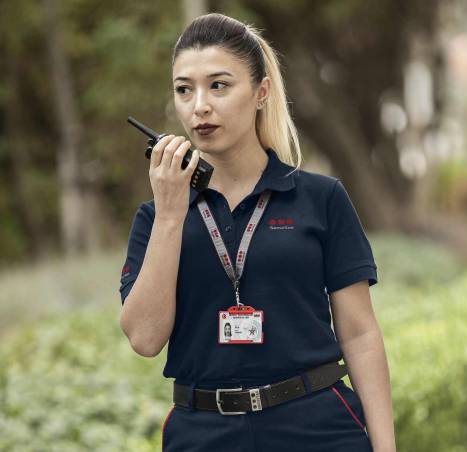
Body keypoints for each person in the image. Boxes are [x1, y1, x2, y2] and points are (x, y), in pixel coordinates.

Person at [118, 13, 395, 452]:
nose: (199, 106)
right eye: (184, 89)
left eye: (219, 85)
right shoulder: (155, 218)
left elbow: (360, 335)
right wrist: (171, 213)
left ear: (261, 92)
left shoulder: (321, 198)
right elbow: (145, 338)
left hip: (317, 429)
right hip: (203, 435)